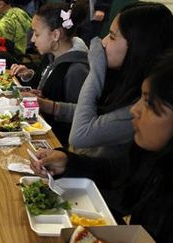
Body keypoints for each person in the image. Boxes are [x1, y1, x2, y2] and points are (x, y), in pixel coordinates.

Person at [29, 50, 173, 242]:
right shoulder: (152, 154)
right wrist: (67, 161)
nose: (134, 109)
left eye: (148, 103)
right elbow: (116, 170)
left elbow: (80, 135)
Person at [68, 2, 173, 158]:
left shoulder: (144, 101)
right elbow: (95, 114)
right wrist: (54, 107)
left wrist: (96, 69)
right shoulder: (124, 81)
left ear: (138, 46)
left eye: (111, 36)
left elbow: (80, 135)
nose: (103, 43)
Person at [9, 0, 88, 145]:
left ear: (55, 35)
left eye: (37, 34)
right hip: (37, 127)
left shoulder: (76, 70)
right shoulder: (51, 55)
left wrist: (46, 104)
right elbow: (46, 85)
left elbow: (81, 114)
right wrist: (29, 75)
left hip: (55, 141)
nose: (32, 39)